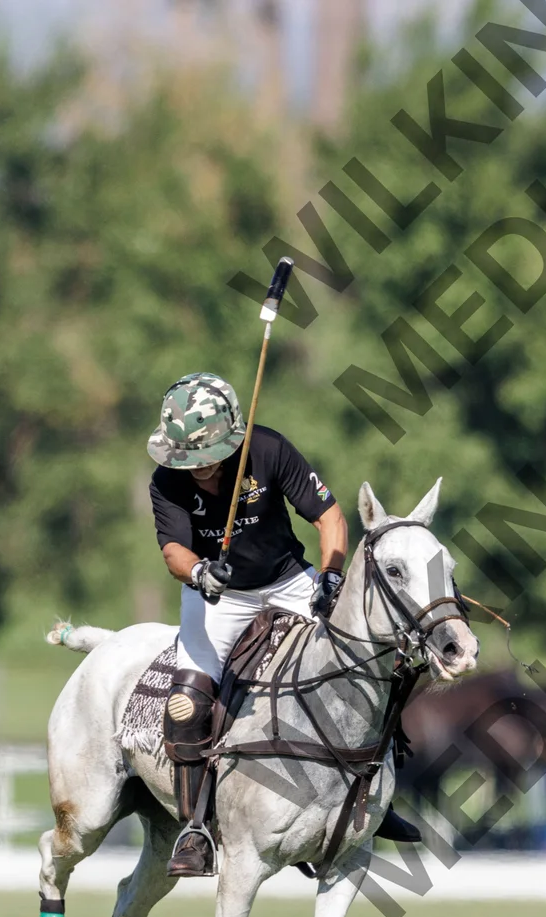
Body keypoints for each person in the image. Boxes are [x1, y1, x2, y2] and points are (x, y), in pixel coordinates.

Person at [147, 372, 419, 877]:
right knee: (187, 704)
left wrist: (332, 574)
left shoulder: (268, 449)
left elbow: (329, 517)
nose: (199, 469)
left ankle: (376, 798)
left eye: (207, 457)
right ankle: (195, 827)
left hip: (289, 581)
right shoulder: (166, 480)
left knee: (373, 665)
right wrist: (202, 572)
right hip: (217, 594)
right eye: (190, 459)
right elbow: (173, 552)